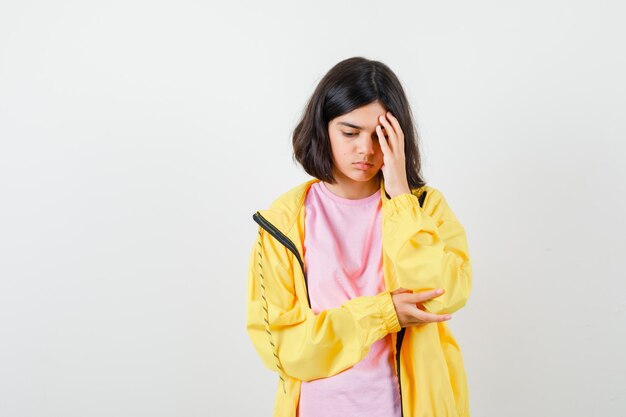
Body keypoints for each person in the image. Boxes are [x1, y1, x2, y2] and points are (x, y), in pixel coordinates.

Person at [245, 56, 472, 417]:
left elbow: (440, 298)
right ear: (323, 128)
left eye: (380, 135)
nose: (365, 149)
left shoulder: (424, 207)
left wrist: (400, 195)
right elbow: (283, 350)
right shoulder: (282, 223)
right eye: (349, 133)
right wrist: (383, 314)